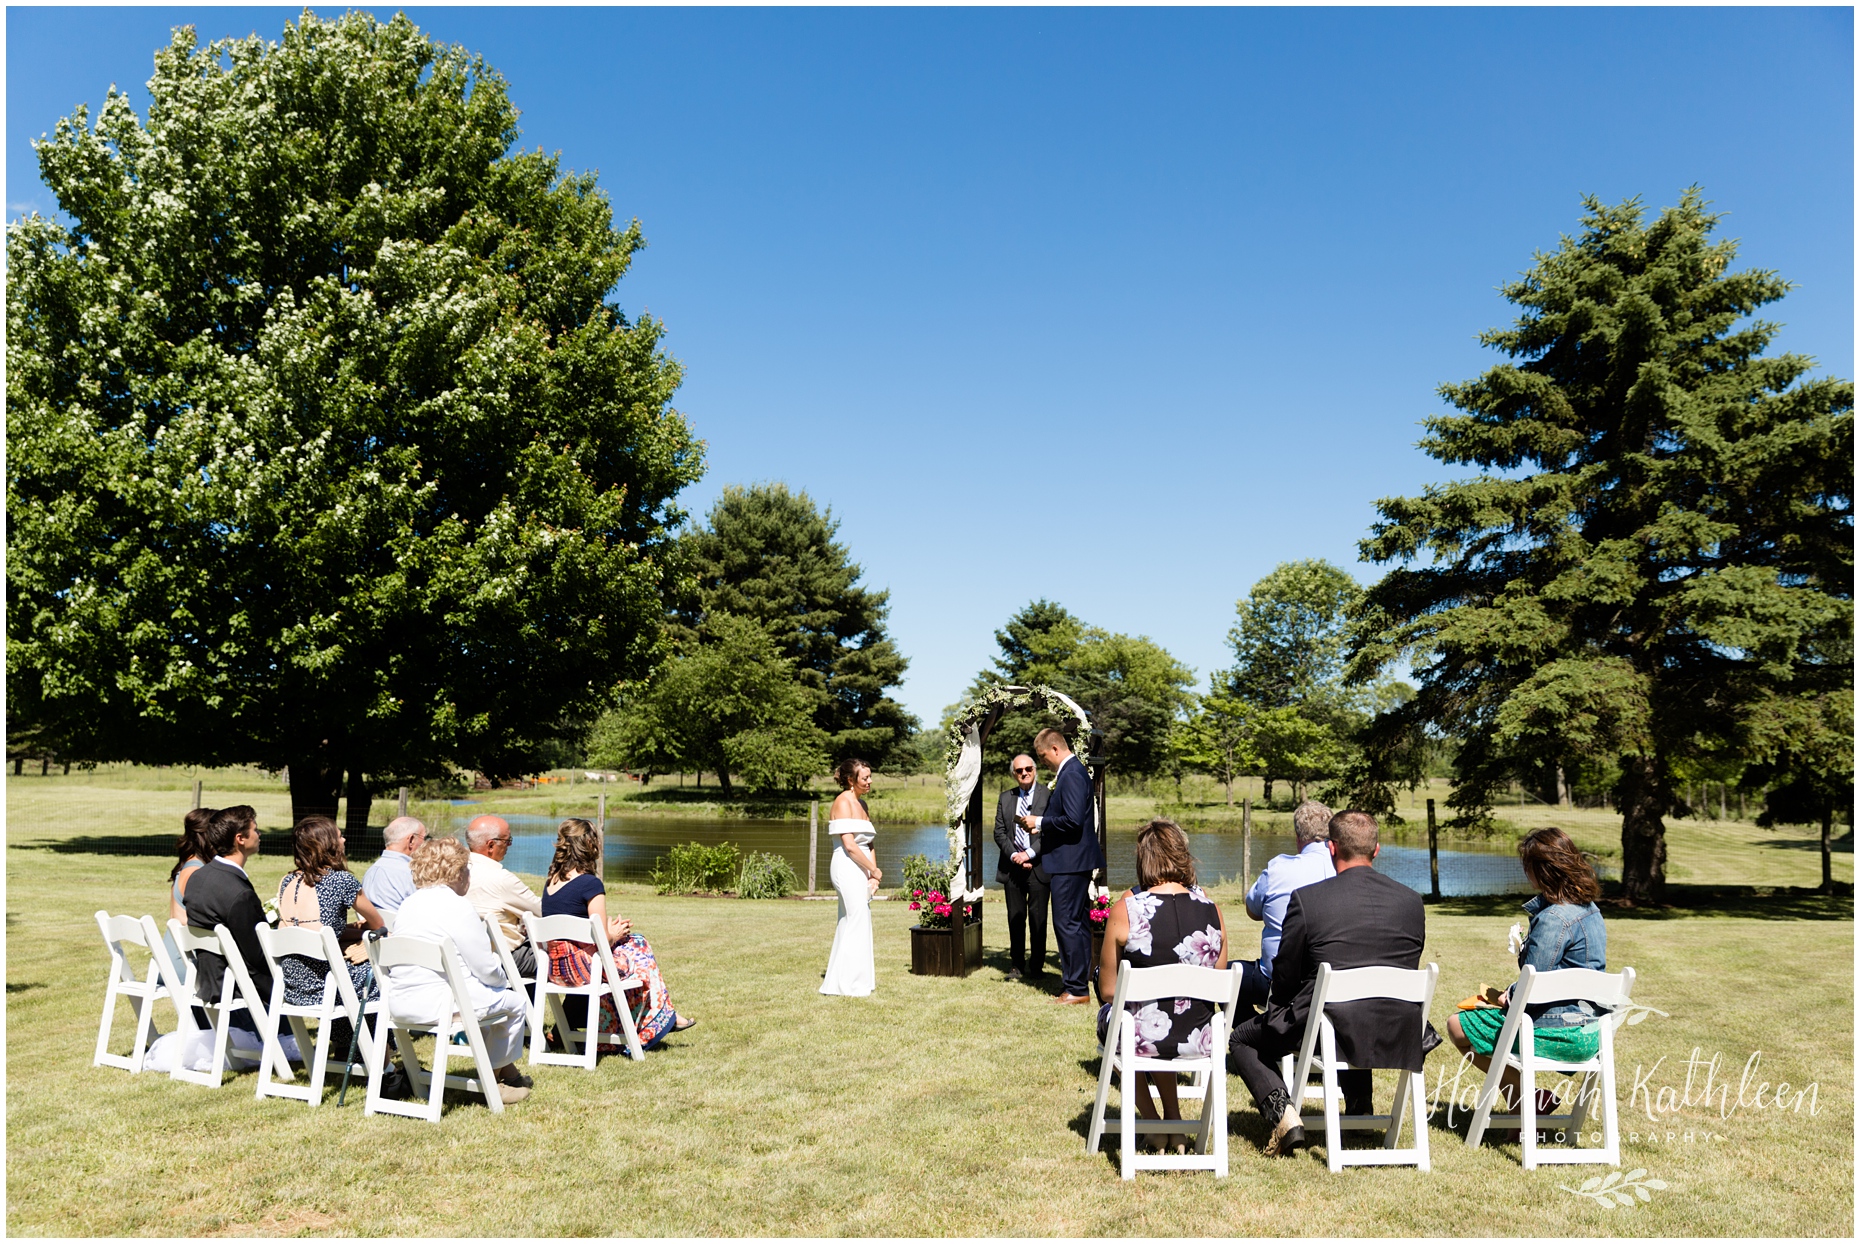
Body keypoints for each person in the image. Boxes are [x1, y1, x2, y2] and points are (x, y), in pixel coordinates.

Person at [1226, 810, 1426, 1156]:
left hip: (1329, 1025)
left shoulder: (1309, 900)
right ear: (1377, 850)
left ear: (1332, 848)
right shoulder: (1411, 902)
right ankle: (1360, 1105)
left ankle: (1283, 1114)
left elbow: (1285, 975)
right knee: (1350, 1011)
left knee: (1242, 1038)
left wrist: (1278, 1016)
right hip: (1398, 1025)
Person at [1446, 827, 1608, 1117]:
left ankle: (1525, 1098)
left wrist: (1507, 994)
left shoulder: (1553, 918)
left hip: (1559, 1033)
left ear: (1540, 871)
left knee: (1457, 1025)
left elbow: (1534, 987)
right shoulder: (1591, 910)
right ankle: (1524, 1102)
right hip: (1592, 1033)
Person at [1096, 819, 1228, 1146]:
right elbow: (1219, 978)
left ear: (1144, 859)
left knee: (1119, 1017)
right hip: (1200, 1038)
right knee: (1158, 1013)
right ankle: (1173, 1120)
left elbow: (1109, 990)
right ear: (1183, 855)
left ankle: (1153, 1123)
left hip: (1144, 1036)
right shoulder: (1212, 909)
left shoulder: (1127, 910)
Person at [381, 837, 532, 1102]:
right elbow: (485, 966)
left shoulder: (409, 904)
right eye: (466, 869)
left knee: (486, 999)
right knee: (514, 1003)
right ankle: (493, 1080)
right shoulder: (458, 906)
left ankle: (509, 1072)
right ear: (457, 872)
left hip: (401, 1001)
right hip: (443, 1003)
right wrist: (500, 982)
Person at [541, 818, 691, 1047]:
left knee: (632, 947)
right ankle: (662, 1018)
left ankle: (663, 1017)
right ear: (590, 845)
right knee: (639, 946)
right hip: (585, 970)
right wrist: (616, 932)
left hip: (557, 968)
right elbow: (603, 941)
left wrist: (608, 933)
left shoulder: (551, 883)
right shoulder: (590, 884)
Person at [1019, 728, 1104, 1005]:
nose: (1043, 763)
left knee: (1067, 923)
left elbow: (1074, 820)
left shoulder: (1072, 774)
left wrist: (1039, 822)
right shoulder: (1073, 772)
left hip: (1069, 862)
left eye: (1043, 758)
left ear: (1055, 749)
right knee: (1077, 924)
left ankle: (1076, 989)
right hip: (1073, 860)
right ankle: (1079, 985)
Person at [274, 815, 385, 1012]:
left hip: (293, 986)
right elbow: (378, 924)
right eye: (340, 836)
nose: (343, 840)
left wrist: (354, 931)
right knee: (382, 974)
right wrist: (361, 930)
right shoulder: (340, 881)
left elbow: (316, 929)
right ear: (328, 844)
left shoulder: (286, 881)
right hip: (327, 984)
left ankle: (344, 1041)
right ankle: (379, 1042)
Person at [179, 804, 273, 1037]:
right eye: (256, 830)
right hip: (237, 998)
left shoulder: (198, 878)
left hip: (207, 987)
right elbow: (257, 959)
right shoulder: (238, 893)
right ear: (240, 839)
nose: (259, 835)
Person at [1238, 800, 1336, 1010]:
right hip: (1333, 985)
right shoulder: (1344, 869)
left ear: (1298, 836)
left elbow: (1252, 911)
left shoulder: (1278, 869)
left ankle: (1255, 1029)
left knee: (1227, 976)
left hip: (1279, 984)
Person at [820, 758, 881, 997]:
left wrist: (873, 876)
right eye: (865, 778)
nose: (869, 781)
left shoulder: (862, 803)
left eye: (869, 776)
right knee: (856, 919)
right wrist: (873, 870)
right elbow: (850, 845)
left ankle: (851, 981)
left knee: (854, 921)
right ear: (850, 780)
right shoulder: (842, 802)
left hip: (862, 867)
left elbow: (869, 843)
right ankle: (848, 984)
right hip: (846, 866)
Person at [992, 753, 1050, 982]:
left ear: (1035, 770)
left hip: (1039, 867)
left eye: (1028, 769)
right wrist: (1015, 855)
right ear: (1014, 774)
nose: (1024, 773)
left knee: (1038, 920)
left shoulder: (1049, 795)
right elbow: (998, 832)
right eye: (1019, 770)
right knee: (1015, 918)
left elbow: (1051, 830)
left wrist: (1030, 853)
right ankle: (1016, 966)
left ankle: (1037, 967)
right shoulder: (1005, 797)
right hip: (1012, 868)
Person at [465, 814, 543, 981]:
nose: (509, 845)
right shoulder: (501, 879)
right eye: (507, 841)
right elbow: (544, 912)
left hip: (467, 956)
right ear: (491, 845)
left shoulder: (456, 872)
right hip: (502, 958)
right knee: (566, 958)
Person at [361, 815, 428, 917]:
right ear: (411, 840)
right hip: (403, 930)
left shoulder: (371, 871)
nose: (425, 843)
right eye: (424, 838)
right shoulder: (413, 874)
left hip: (372, 930)